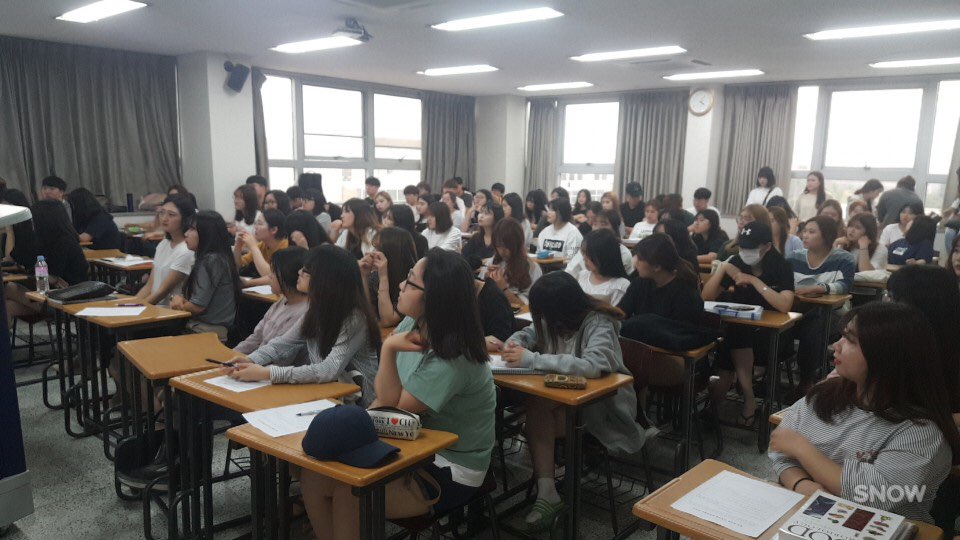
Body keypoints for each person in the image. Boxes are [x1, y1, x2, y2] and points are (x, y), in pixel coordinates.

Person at [299, 249, 495, 539]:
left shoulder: (455, 356)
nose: (401, 285)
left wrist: (389, 349)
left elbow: (394, 409)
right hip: (409, 442)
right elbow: (384, 400)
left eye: (411, 282)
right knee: (313, 477)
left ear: (434, 298)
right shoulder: (413, 323)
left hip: (449, 465)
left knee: (350, 490)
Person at [769, 302, 960, 523]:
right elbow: (780, 451)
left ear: (886, 356)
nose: (835, 346)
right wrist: (801, 485)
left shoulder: (921, 431)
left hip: (878, 527)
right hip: (805, 515)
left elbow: (874, 495)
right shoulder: (825, 395)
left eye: (850, 340)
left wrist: (802, 449)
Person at [499, 271, 646, 529]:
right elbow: (529, 332)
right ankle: (547, 492)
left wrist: (532, 359)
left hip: (601, 408)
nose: (542, 320)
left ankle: (547, 493)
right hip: (564, 402)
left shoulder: (599, 322)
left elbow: (594, 365)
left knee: (536, 419)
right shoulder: (553, 320)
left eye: (544, 314)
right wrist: (513, 343)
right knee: (537, 407)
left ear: (561, 310)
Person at [225, 245, 380, 400]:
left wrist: (268, 373)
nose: (299, 272)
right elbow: (282, 344)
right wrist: (250, 359)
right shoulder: (317, 309)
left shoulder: (354, 318)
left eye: (306, 270)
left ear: (324, 278)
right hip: (325, 391)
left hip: (355, 400)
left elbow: (329, 369)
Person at [703, 222, 795, 425]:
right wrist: (722, 269)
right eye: (742, 247)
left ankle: (738, 399)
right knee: (735, 334)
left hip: (771, 336)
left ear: (767, 246)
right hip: (738, 330)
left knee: (733, 341)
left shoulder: (782, 266)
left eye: (751, 248)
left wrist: (753, 281)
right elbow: (706, 297)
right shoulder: (737, 261)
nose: (745, 252)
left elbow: (784, 305)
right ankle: (742, 397)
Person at [788, 216, 856, 391]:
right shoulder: (794, 257)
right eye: (804, 231)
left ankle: (806, 381)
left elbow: (845, 285)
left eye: (811, 232)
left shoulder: (844, 258)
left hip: (833, 314)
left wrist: (820, 288)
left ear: (826, 236)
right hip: (798, 310)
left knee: (814, 323)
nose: (805, 235)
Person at [4, 200, 87, 320]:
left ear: (44, 221)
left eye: (34, 219)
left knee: (9, 288)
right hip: (49, 294)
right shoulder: (44, 240)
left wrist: (39, 273)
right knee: (7, 307)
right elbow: (13, 257)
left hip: (67, 300)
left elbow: (50, 277)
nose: (32, 223)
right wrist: (11, 231)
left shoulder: (64, 242)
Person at [171, 211, 241, 339]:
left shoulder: (211, 260)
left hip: (206, 331)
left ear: (207, 233)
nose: (186, 233)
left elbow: (197, 306)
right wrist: (181, 299)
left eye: (192, 229)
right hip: (202, 329)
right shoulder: (217, 257)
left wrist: (177, 302)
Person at [233, 247, 309, 354]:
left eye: (273, 272)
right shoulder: (282, 301)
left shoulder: (303, 313)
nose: (269, 276)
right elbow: (256, 337)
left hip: (268, 363)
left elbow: (279, 355)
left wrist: (246, 360)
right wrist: (232, 354)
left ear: (287, 275)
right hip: (256, 360)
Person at [617, 233, 703, 323]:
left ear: (657, 266)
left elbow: (678, 329)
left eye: (640, 259)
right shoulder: (640, 282)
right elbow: (622, 313)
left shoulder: (685, 294)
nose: (636, 263)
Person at [135, 195, 197, 306]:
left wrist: (137, 308)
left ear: (185, 219)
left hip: (169, 310)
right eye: (162, 213)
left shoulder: (187, 250)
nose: (164, 218)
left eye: (171, 215)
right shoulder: (164, 244)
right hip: (154, 307)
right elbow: (150, 286)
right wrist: (130, 304)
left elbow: (162, 292)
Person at [359, 227, 417, 328]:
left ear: (391, 254)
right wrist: (364, 276)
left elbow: (387, 320)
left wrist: (383, 277)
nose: (372, 253)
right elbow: (368, 314)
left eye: (377, 249)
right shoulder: (375, 276)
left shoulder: (412, 282)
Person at [483, 218, 542, 305]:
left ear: (517, 244)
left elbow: (527, 306)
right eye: (499, 245)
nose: (502, 251)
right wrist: (487, 279)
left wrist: (503, 288)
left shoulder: (532, 268)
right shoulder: (494, 262)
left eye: (507, 246)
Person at [566, 209, 633, 276]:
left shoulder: (623, 253)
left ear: (614, 228)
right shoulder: (587, 248)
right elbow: (570, 269)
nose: (598, 228)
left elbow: (608, 277)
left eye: (603, 224)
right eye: (595, 224)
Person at [574, 229, 630, 305]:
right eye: (583, 253)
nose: (584, 259)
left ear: (603, 256)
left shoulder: (620, 285)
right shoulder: (582, 276)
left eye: (588, 255)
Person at [233, 209, 289, 285]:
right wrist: (238, 246)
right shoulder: (263, 245)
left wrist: (253, 247)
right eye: (255, 223)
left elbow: (273, 277)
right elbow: (239, 264)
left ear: (273, 230)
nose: (255, 227)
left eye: (259, 224)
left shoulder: (286, 247)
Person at [461, 201, 504, 270]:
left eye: (486, 213)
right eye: (481, 212)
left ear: (496, 217)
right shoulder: (476, 237)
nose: (481, 216)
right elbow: (463, 258)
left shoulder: (502, 239)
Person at [0, 189, 37, 269]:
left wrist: (9, 231)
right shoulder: (10, 225)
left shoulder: (31, 227)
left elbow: (10, 259)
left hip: (29, 272)